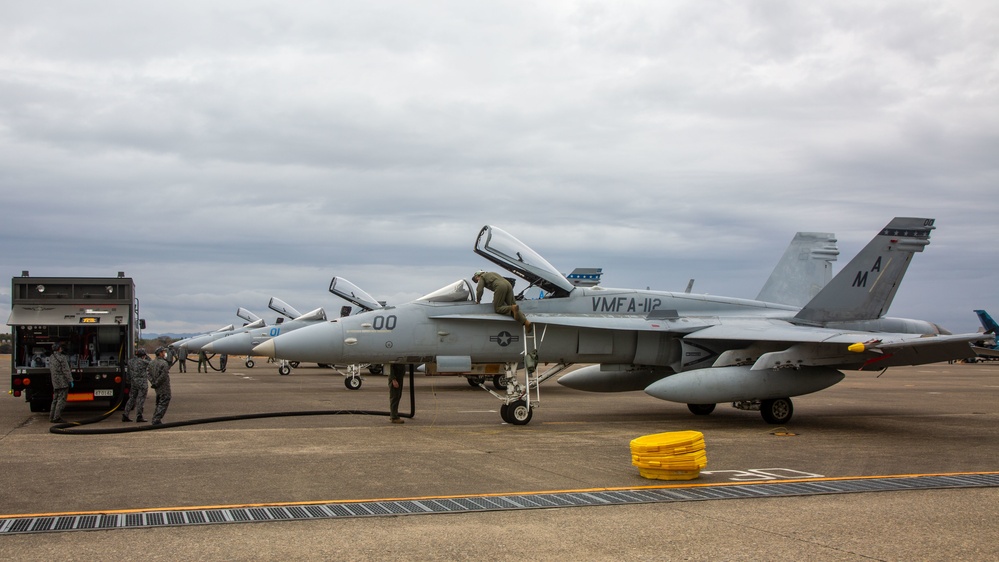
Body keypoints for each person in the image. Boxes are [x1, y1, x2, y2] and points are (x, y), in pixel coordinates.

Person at [122, 348, 150, 422]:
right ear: (143, 355)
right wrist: (147, 356)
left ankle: (125, 414)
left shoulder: (130, 362)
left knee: (131, 398)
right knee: (141, 399)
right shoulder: (143, 362)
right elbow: (151, 363)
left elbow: (128, 374)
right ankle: (139, 416)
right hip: (142, 383)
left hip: (133, 382)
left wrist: (128, 381)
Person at [48, 343, 73, 423]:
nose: (61, 348)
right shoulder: (62, 358)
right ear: (58, 348)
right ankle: (57, 417)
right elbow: (66, 370)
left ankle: (51, 416)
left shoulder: (52, 357)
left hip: (55, 382)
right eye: (60, 347)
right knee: (61, 400)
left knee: (55, 399)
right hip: (62, 382)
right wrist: (70, 380)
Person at [148, 347, 172, 426]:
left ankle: (155, 418)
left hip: (156, 387)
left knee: (158, 403)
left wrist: (153, 382)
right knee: (164, 402)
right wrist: (157, 383)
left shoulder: (151, 363)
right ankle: (156, 419)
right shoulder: (164, 363)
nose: (164, 353)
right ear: (160, 353)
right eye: (163, 352)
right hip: (163, 386)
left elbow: (148, 373)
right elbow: (163, 375)